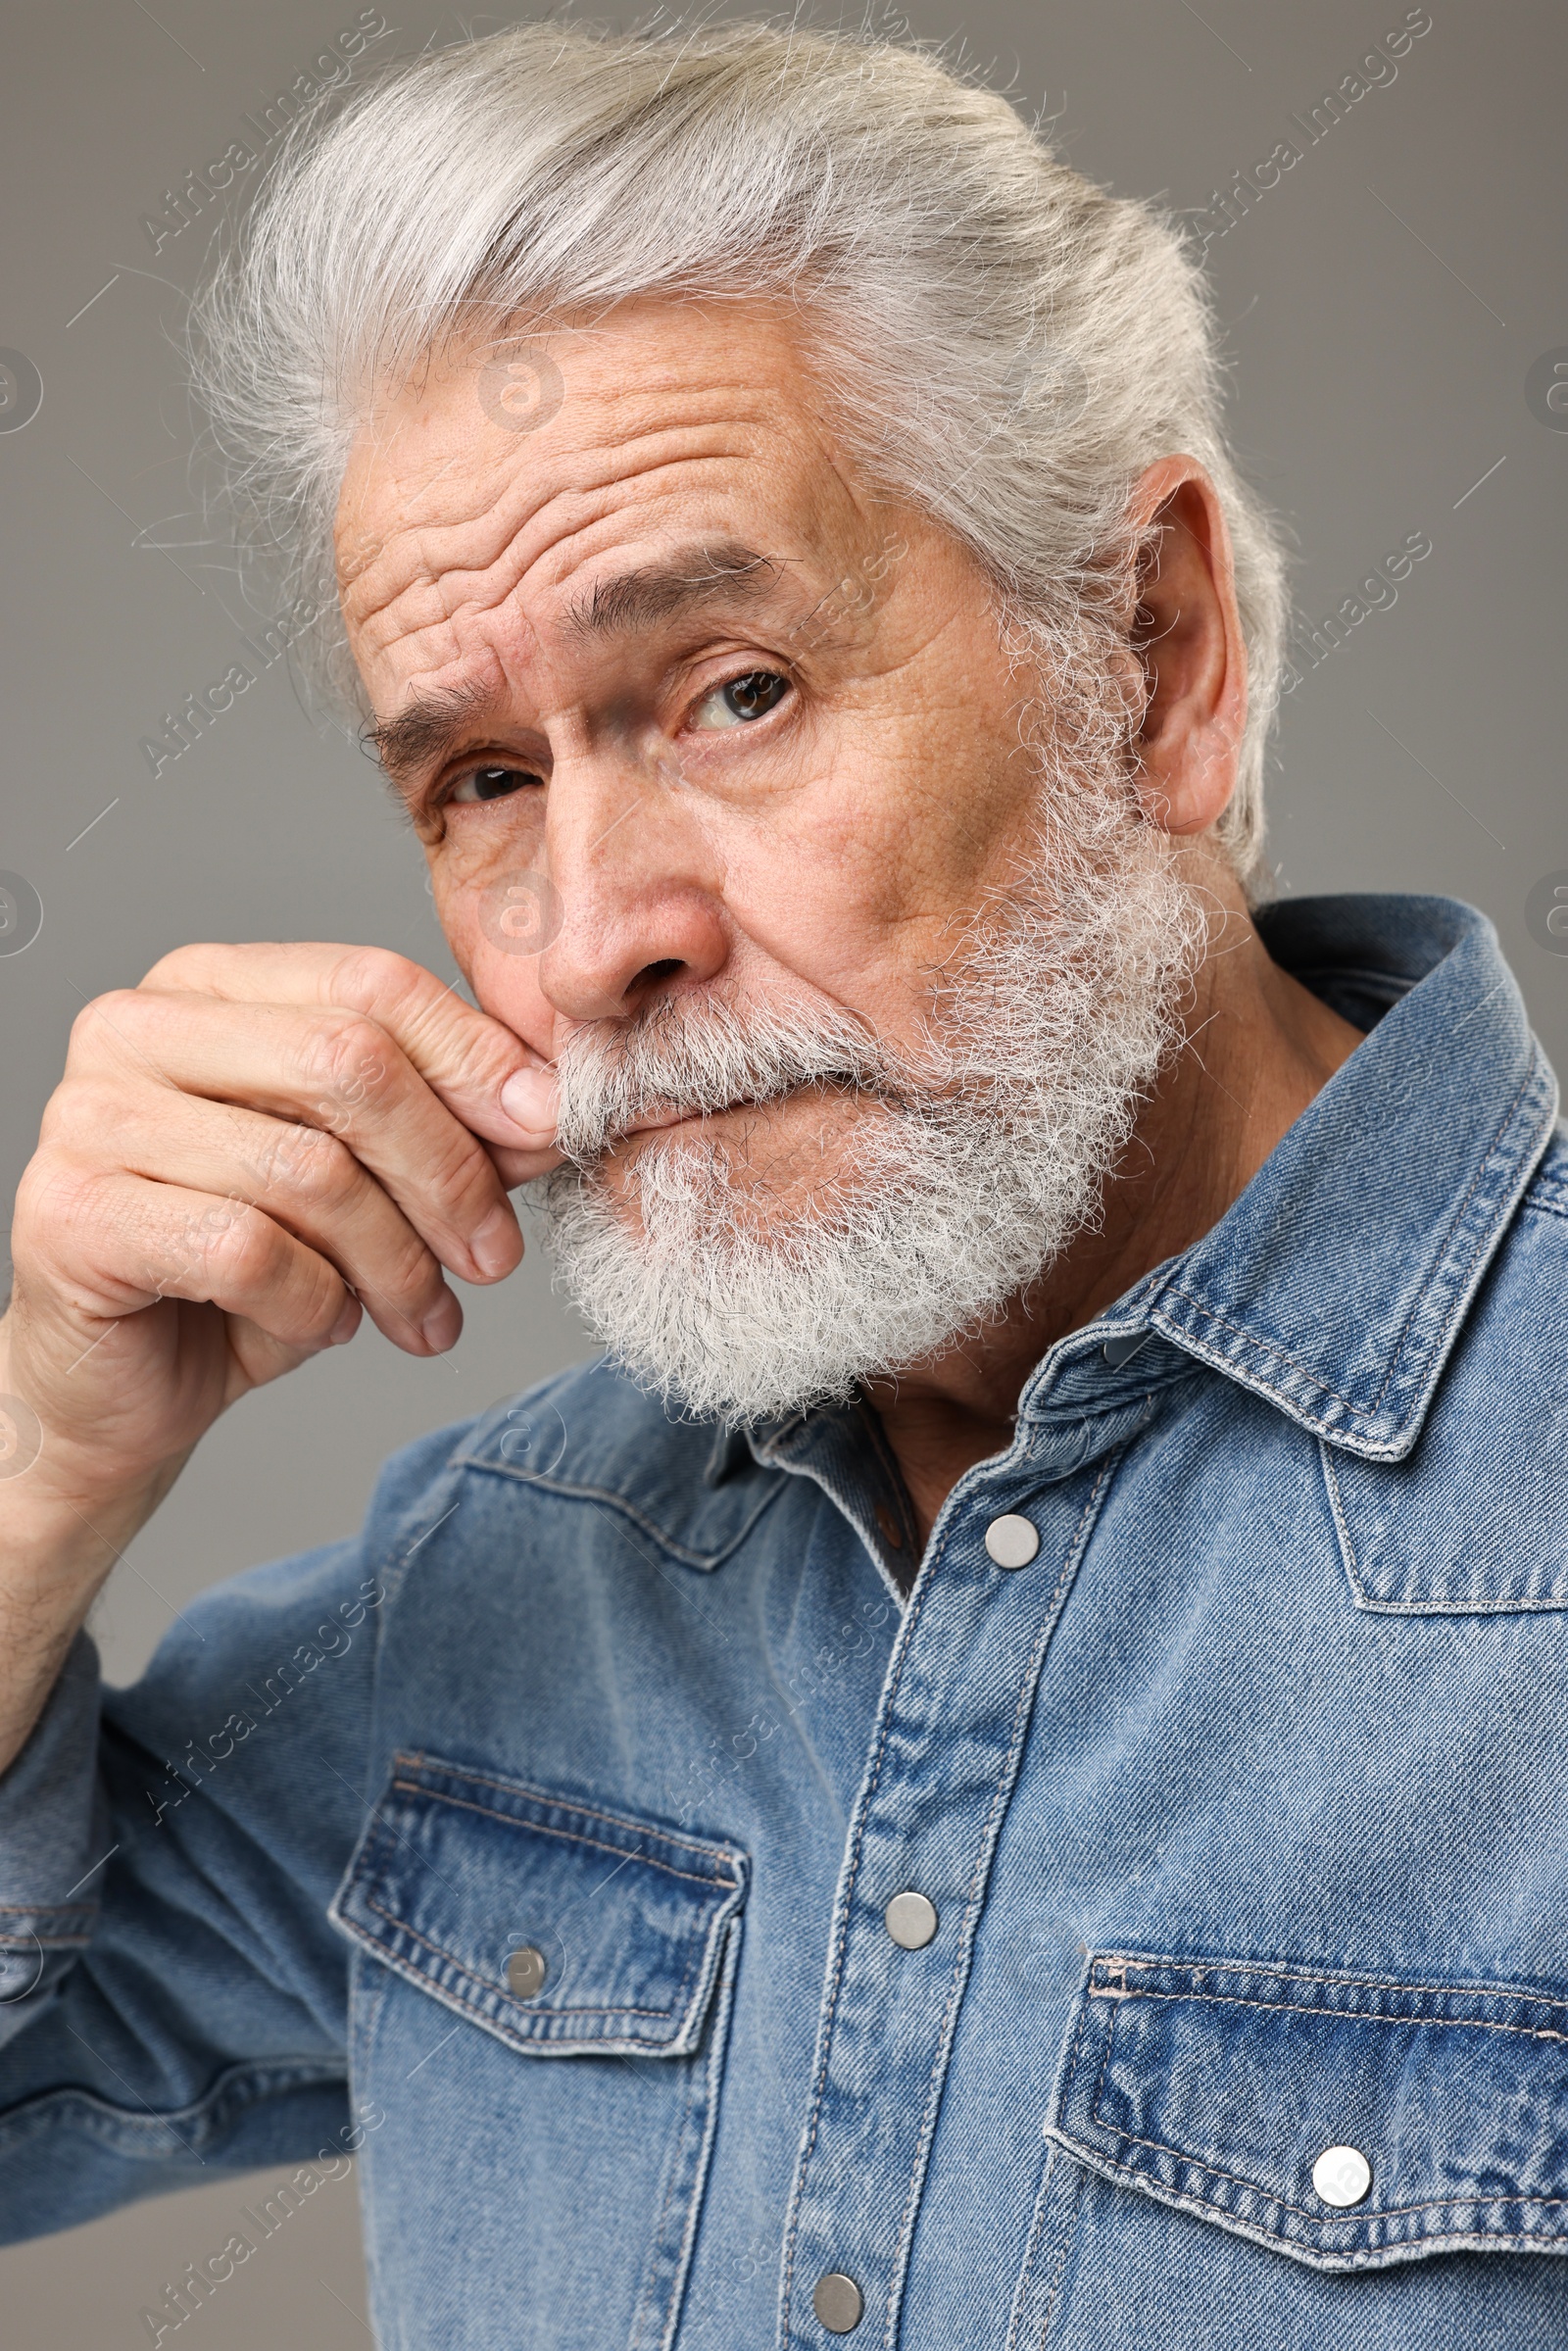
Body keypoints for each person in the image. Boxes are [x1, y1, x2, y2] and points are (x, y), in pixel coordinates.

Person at [2, 20, 1563, 2348]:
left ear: (1151, 658)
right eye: (483, 781)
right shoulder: (507, 1580)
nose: (595, 933)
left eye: (730, 689)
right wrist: (36, 1456)